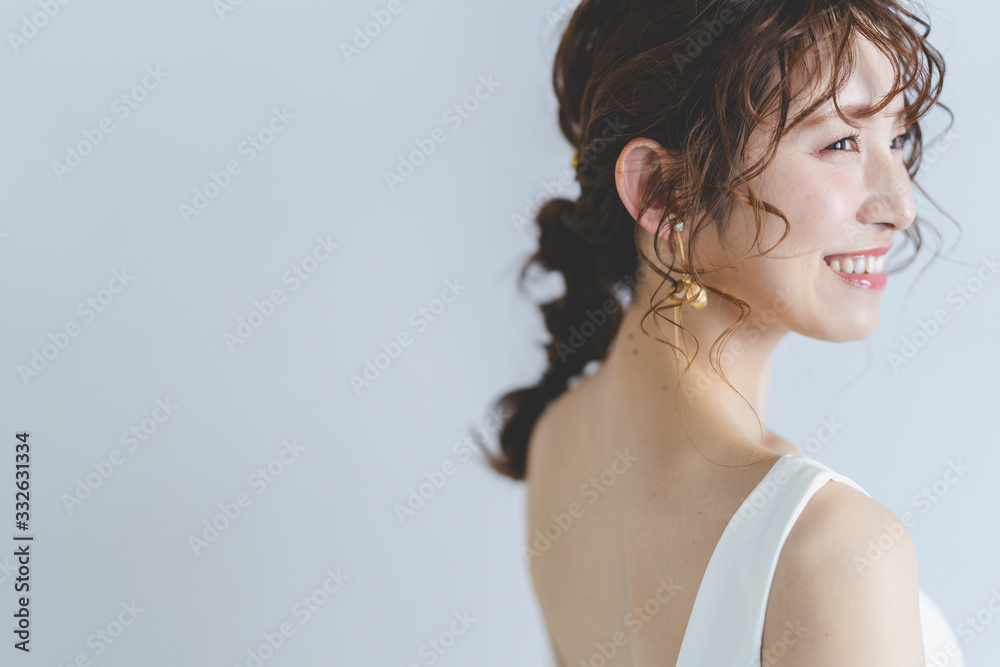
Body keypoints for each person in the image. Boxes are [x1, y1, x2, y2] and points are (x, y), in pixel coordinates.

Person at [480, 0, 965, 664]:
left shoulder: (558, 439)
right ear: (661, 189)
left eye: (899, 138)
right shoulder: (829, 549)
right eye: (840, 143)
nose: (900, 205)